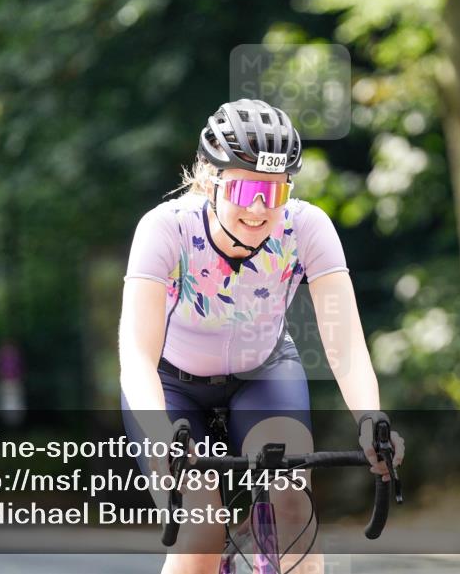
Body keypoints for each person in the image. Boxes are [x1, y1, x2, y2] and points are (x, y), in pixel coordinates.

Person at [120, 98, 404, 574]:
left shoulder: (307, 227)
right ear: (210, 181)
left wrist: (370, 419)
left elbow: (345, 344)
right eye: (246, 188)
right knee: (202, 526)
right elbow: (136, 352)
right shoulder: (165, 229)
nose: (258, 208)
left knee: (294, 507)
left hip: (264, 373)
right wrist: (160, 435)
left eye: (274, 193)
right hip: (172, 385)